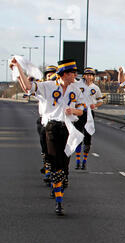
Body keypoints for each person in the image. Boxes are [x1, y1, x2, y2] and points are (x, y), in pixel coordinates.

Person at [10, 58, 84, 215]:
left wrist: (73, 111)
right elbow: (28, 88)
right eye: (73, 73)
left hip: (68, 129)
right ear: (64, 74)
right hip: (52, 128)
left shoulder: (75, 90)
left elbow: (81, 110)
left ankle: (59, 189)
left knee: (64, 166)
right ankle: (59, 203)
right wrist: (18, 69)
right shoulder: (48, 86)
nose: (75, 76)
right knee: (56, 163)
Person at [73, 67, 104, 170]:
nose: (89, 77)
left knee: (88, 136)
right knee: (78, 135)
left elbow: (100, 101)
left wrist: (95, 105)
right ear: (84, 76)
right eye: (87, 75)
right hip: (79, 113)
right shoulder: (78, 84)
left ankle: (84, 161)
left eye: (91, 75)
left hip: (89, 114)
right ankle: (77, 160)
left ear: (93, 77)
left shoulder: (96, 88)